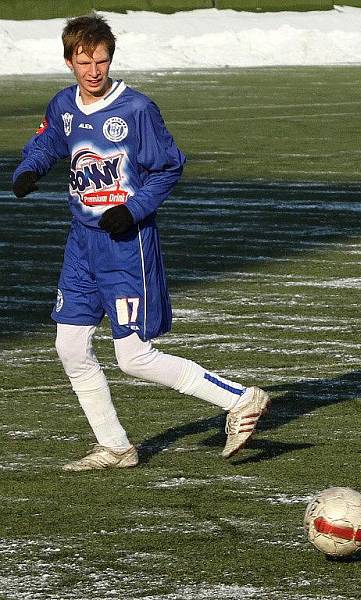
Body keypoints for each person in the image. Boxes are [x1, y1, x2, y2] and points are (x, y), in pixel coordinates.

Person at [11, 14, 269, 471]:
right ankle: (116, 447)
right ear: (69, 59)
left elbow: (169, 167)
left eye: (103, 60)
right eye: (85, 61)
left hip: (126, 245)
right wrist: (29, 169)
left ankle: (240, 399)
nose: (95, 70)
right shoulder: (63, 105)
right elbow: (50, 140)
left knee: (132, 357)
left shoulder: (136, 109)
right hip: (81, 246)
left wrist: (132, 209)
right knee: (70, 347)